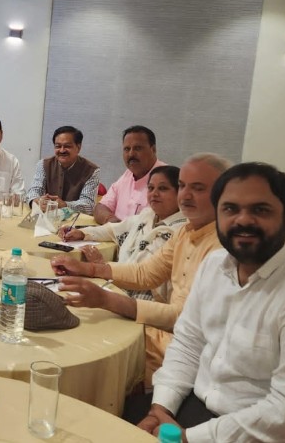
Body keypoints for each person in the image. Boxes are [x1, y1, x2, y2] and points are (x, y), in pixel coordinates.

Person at [136, 162, 285, 441]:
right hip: (196, 408)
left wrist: (189, 438)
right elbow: (189, 342)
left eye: (260, 210)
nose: (243, 220)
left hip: (266, 433)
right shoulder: (214, 265)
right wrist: (160, 408)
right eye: (230, 209)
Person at [52, 153, 230, 386]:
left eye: (198, 188)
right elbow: (145, 273)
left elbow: (183, 318)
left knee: (87, 345)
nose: (186, 195)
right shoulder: (186, 232)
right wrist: (87, 268)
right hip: (165, 330)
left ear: (224, 194)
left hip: (186, 352)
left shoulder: (221, 249)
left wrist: (106, 299)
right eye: (183, 186)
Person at [59, 166, 186, 301]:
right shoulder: (148, 215)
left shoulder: (181, 231)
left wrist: (101, 266)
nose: (154, 194)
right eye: (150, 188)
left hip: (148, 298)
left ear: (180, 193)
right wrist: (82, 233)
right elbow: (114, 229)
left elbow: (143, 275)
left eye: (163, 188)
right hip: (119, 284)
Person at [94, 125, 165, 224]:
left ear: (153, 149)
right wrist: (111, 221)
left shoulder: (168, 179)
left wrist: (121, 229)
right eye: (127, 149)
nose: (131, 154)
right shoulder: (127, 175)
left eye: (138, 148)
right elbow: (101, 207)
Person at [26, 126, 100, 214]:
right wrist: (37, 201)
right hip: (47, 218)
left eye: (67, 146)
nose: (62, 150)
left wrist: (65, 205)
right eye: (58, 146)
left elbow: (89, 205)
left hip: (76, 220)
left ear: (78, 147)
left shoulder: (91, 170)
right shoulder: (43, 164)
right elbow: (34, 191)